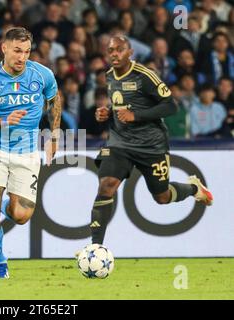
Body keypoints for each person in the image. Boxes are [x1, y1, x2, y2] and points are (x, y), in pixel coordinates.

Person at [88, 35, 213, 247]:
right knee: (106, 185)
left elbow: (170, 106)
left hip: (151, 144)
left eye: (120, 50)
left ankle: (194, 189)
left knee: (162, 197)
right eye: (111, 50)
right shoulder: (109, 76)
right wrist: (107, 113)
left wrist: (135, 116)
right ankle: (95, 248)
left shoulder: (145, 75)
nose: (115, 54)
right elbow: (121, 106)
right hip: (120, 143)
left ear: (130, 52)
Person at [0, 27, 61, 279]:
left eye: (27, 51)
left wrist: (54, 134)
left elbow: (54, 99)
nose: (22, 57)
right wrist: (4, 121)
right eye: (17, 51)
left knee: (21, 216)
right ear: (4, 48)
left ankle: (3, 202)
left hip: (26, 153)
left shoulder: (42, 74)